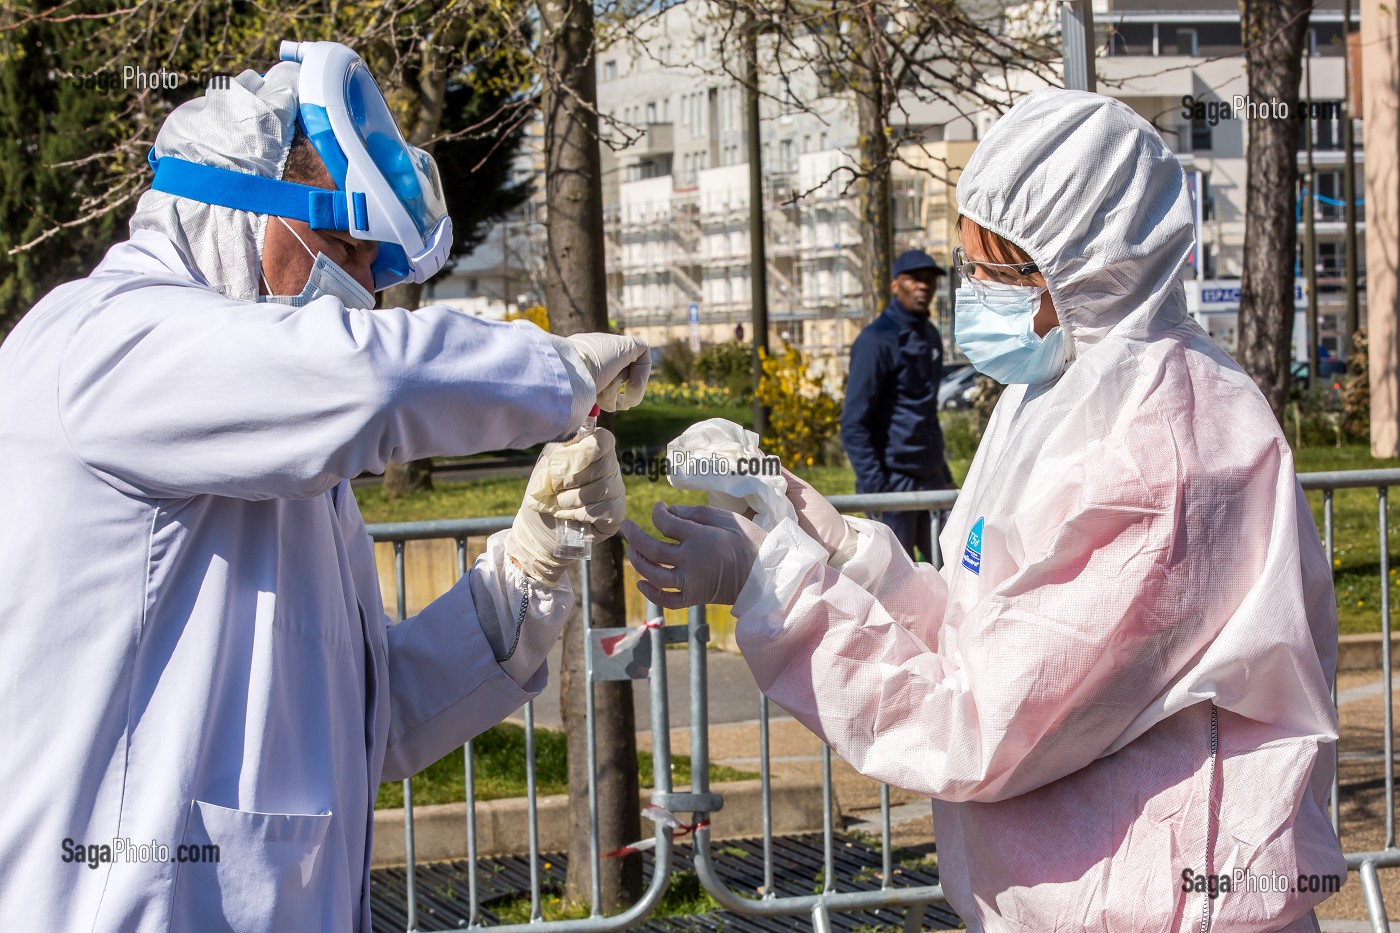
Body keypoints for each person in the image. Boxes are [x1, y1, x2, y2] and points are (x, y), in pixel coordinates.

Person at [622, 89, 1345, 931]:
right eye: (968, 265)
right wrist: (826, 539)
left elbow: (980, 722)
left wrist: (774, 588)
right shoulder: (1066, 387)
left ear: (1086, 267)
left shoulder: (1161, 457)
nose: (970, 291)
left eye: (996, 271)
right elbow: (985, 620)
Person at [0, 42, 650, 933]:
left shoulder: (278, 445)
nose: (361, 290)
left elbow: (375, 721)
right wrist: (558, 371)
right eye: (340, 244)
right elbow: (369, 381)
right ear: (236, 210)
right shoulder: (102, 343)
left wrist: (531, 568)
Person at [840, 248, 953, 560]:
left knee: (950, 571)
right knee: (895, 587)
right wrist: (879, 489)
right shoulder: (876, 341)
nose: (924, 285)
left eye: (929, 279)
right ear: (894, 285)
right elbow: (853, 424)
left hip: (931, 478)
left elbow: (924, 414)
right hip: (893, 483)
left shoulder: (929, 335)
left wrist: (942, 473)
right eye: (914, 278)